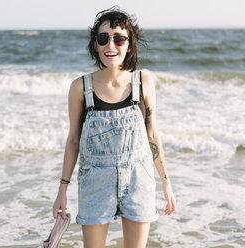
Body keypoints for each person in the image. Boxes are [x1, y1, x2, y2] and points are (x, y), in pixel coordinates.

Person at [52, 6, 176, 248]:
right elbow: (73, 141)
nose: (111, 46)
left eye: (119, 38)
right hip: (95, 184)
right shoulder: (80, 87)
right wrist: (62, 191)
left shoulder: (144, 82)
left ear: (129, 44)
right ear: (95, 44)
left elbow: (152, 134)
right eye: (103, 38)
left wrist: (166, 183)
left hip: (139, 180)